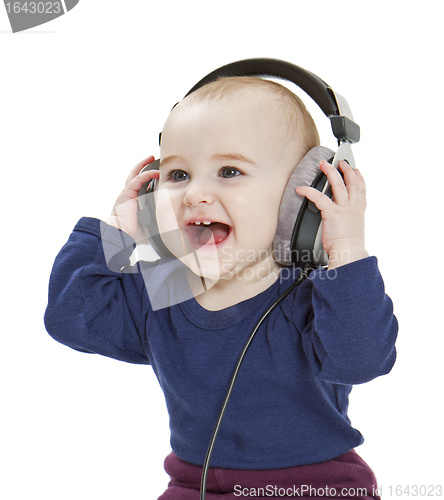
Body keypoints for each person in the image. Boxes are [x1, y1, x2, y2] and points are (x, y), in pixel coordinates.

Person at [44, 76, 398, 499]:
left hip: (316, 488)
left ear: (299, 200)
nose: (195, 193)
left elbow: (362, 360)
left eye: (229, 171)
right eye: (177, 174)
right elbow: (71, 317)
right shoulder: (164, 288)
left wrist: (344, 248)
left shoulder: (313, 294)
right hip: (194, 488)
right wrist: (117, 233)